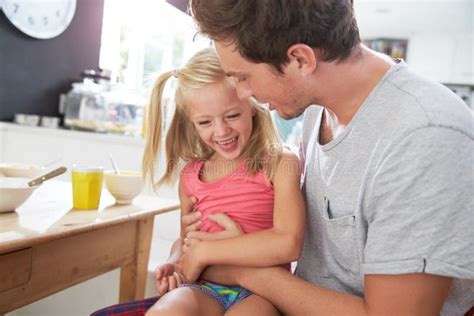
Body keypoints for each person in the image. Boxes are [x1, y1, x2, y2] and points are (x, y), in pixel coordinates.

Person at [184, 0, 474, 315]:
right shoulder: (318, 110)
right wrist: (231, 229)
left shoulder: (424, 136)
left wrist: (241, 271)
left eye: (242, 77)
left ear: (300, 58)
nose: (242, 93)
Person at [140, 48, 305, 316]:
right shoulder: (191, 176)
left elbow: (288, 244)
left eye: (232, 115)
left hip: (262, 292)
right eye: (205, 122)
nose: (221, 131)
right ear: (191, 122)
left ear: (252, 105)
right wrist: (174, 262)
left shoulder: (281, 164)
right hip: (203, 288)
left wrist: (207, 252)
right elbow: (186, 241)